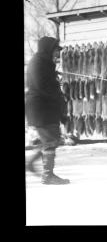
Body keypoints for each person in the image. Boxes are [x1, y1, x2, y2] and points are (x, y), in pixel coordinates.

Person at [25, 36, 70, 185]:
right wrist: (58, 94)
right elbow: (42, 87)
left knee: (51, 140)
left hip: (45, 109)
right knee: (51, 141)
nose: (58, 53)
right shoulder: (38, 63)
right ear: (48, 49)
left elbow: (47, 85)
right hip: (41, 108)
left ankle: (32, 164)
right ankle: (48, 175)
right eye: (56, 50)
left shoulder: (45, 63)